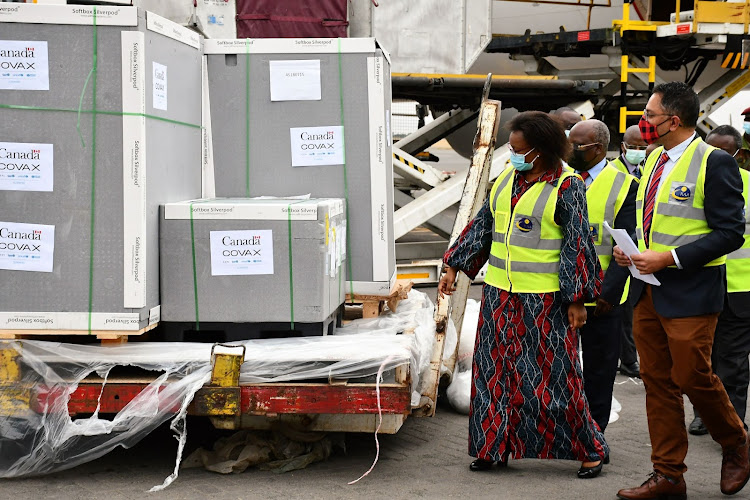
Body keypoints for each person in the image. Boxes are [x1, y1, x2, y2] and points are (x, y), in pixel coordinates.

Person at [439, 110, 608, 479]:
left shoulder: (567, 186)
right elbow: (483, 225)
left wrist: (578, 298)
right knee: (493, 374)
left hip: (545, 300)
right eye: (512, 148)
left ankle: (589, 449)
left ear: (543, 150)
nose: (514, 155)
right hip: (500, 296)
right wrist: (453, 264)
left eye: (521, 150)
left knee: (556, 376)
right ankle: (492, 448)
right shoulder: (505, 180)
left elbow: (577, 244)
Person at [613, 82, 748, 500]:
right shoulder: (653, 159)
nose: (643, 123)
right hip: (647, 289)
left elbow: (730, 234)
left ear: (673, 120)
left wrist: (668, 258)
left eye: (649, 116)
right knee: (658, 383)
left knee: (692, 375)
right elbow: (653, 220)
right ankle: (668, 475)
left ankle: (736, 443)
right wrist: (631, 251)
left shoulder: (714, 162)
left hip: (692, 290)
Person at [567, 119, 637, 435]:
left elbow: (626, 245)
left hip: (604, 298)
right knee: (562, 368)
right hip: (564, 294)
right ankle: (564, 430)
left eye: (576, 146)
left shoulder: (625, 185)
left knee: (599, 371)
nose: (569, 150)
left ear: (597, 148)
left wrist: (607, 293)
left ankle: (594, 436)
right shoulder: (561, 180)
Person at [688, 125, 750, 437]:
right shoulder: (694, 184)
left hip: (741, 287)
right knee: (702, 358)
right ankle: (704, 415)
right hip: (705, 283)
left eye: (724, 152)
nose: (716, 157)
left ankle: (733, 423)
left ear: (738, 154)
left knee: (734, 361)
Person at [610, 124, 648, 379]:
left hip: (639, 246)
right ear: (623, 146)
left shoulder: (646, 170)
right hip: (617, 246)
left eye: (642, 148)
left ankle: (631, 357)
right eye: (633, 147)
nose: (637, 152)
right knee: (622, 308)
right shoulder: (613, 173)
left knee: (633, 307)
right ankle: (628, 360)